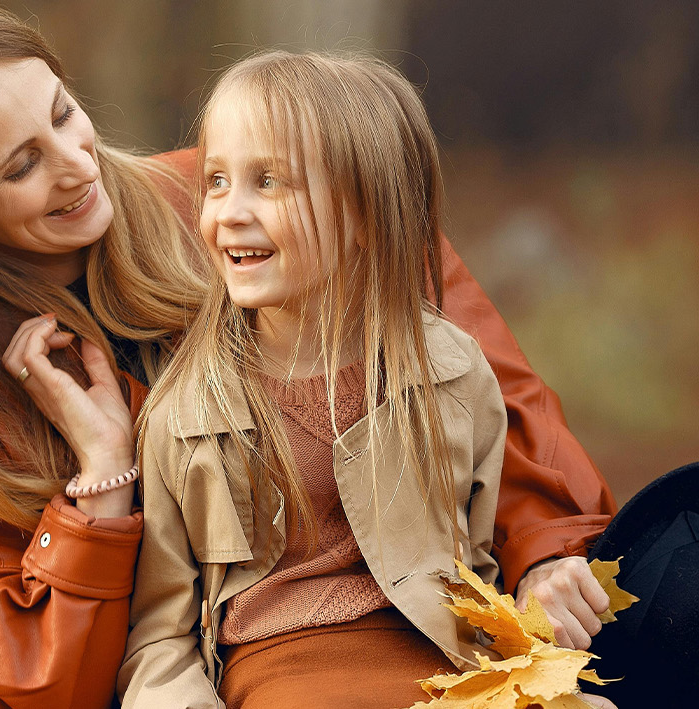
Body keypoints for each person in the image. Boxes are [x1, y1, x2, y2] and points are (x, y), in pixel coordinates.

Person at [0, 1, 618, 707]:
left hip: (415, 615)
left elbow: (466, 371)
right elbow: (12, 693)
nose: (77, 163)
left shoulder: (226, 192)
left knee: (682, 598)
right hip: (220, 668)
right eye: (21, 166)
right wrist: (98, 486)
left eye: (61, 113)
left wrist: (547, 547)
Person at [119, 50, 506, 708]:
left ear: (362, 210)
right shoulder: (186, 413)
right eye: (216, 181)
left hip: (441, 660)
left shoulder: (449, 370)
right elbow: (158, 635)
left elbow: (483, 562)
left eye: (267, 181)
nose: (229, 211)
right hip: (281, 673)